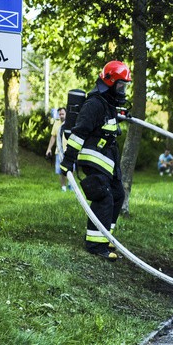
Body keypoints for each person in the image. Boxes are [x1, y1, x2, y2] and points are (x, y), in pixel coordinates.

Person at [60, 60, 132, 261]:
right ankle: (95, 245)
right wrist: (68, 161)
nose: (123, 89)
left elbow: (108, 123)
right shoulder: (94, 104)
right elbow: (79, 133)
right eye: (120, 85)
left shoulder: (108, 104)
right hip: (92, 159)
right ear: (109, 82)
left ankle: (105, 236)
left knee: (118, 195)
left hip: (106, 160)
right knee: (104, 197)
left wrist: (122, 115)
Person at [46, 107, 69, 191]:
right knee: (61, 171)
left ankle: (71, 184)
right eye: (60, 114)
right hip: (59, 151)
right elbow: (53, 137)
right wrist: (49, 149)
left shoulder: (70, 123)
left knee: (71, 169)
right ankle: (63, 187)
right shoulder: (56, 123)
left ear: (66, 114)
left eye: (63, 114)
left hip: (69, 151)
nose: (61, 116)